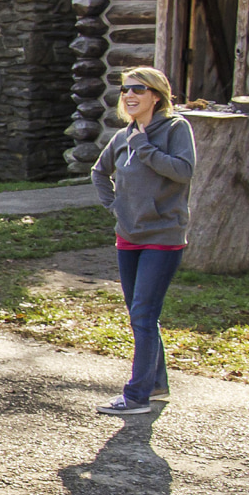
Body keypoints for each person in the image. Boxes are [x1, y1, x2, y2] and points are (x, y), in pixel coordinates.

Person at [90, 66, 193, 415]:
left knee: (144, 314)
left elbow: (182, 171)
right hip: (128, 236)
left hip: (163, 236)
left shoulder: (176, 129)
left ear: (156, 95)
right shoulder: (123, 136)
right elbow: (98, 172)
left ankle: (136, 396)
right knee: (140, 314)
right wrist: (116, 206)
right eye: (125, 90)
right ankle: (157, 384)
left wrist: (144, 147)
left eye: (138, 89)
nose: (130, 95)